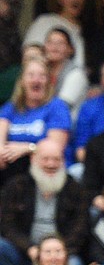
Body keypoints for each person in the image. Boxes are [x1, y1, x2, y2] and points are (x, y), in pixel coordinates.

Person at [0, 56, 71, 184]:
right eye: (31, 75)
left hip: (45, 167)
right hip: (9, 167)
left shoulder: (57, 107)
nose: (36, 80)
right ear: (22, 81)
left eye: (42, 76)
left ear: (48, 82)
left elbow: (56, 147)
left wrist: (28, 148)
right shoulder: (11, 107)